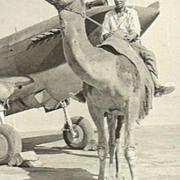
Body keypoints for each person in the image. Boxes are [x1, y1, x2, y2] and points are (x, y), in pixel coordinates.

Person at [70, 0, 175, 102]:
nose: (118, 1)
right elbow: (105, 32)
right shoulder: (109, 15)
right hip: (113, 43)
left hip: (130, 43)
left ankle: (156, 84)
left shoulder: (132, 13)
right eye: (115, 0)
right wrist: (109, 36)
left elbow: (135, 31)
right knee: (93, 58)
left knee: (149, 56)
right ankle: (84, 91)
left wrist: (130, 36)